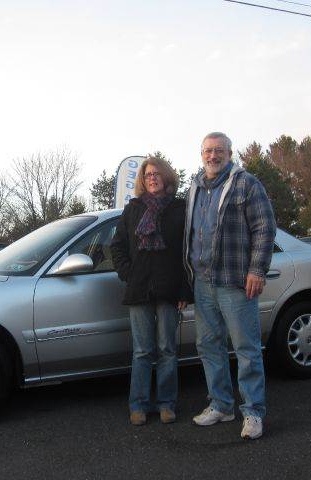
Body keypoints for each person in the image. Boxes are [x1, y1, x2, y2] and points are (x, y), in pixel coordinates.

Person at [184, 132, 276, 440]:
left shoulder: (246, 183)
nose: (213, 155)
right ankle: (222, 405)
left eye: (218, 150)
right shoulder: (195, 187)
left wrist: (257, 269)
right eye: (208, 150)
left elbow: (265, 227)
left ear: (229, 153)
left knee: (246, 349)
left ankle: (253, 412)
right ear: (201, 154)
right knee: (209, 345)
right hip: (203, 282)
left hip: (235, 281)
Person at [111, 155, 192, 426]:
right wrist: (128, 273)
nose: (152, 178)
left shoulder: (180, 208)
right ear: (142, 180)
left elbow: (186, 252)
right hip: (139, 289)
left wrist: (184, 290)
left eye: (156, 174)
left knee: (167, 349)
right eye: (147, 175)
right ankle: (139, 405)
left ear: (166, 177)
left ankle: (167, 404)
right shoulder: (133, 209)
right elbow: (118, 246)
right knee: (143, 351)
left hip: (170, 290)